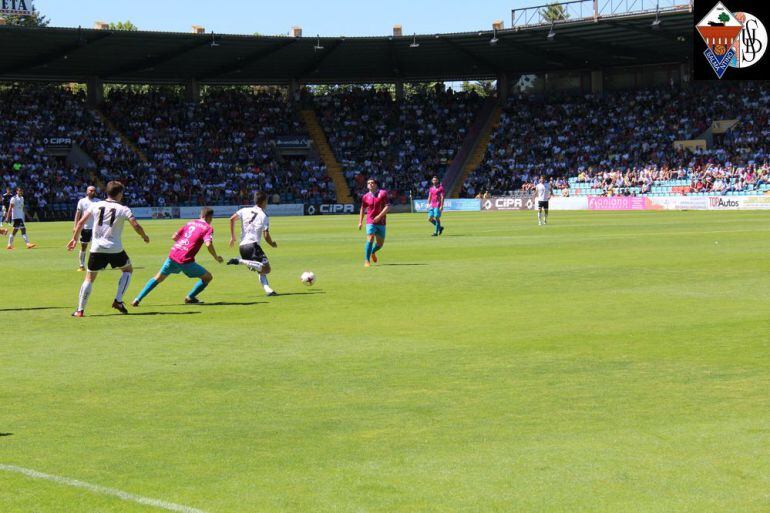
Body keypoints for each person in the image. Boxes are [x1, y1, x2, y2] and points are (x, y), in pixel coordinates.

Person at [67, 181, 150, 317]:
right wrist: (144, 236)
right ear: (119, 194)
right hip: (115, 249)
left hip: (96, 248)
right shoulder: (124, 209)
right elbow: (135, 225)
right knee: (128, 270)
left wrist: (74, 238)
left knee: (89, 278)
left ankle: (80, 310)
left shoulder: (96, 205)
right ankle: (118, 300)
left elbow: (81, 222)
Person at [132, 207, 224, 306]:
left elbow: (174, 237)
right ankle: (190, 298)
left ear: (201, 215)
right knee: (208, 277)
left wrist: (183, 244)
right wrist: (216, 257)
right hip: (185, 260)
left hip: (174, 253)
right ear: (210, 218)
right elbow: (208, 244)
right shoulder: (208, 228)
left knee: (158, 277)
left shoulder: (190, 223)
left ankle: (137, 299)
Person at [227, 191, 278, 297]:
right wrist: (272, 244)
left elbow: (231, 219)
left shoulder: (244, 210)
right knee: (266, 269)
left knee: (260, 270)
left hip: (242, 246)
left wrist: (232, 237)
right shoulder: (264, 215)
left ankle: (268, 290)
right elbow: (266, 236)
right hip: (253, 246)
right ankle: (239, 261)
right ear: (264, 202)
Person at [358, 178, 389, 267]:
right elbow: (362, 209)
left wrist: (379, 216)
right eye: (368, 183)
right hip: (370, 221)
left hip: (381, 222)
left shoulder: (383, 193)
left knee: (380, 244)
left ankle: (373, 252)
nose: (370, 184)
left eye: (372, 183)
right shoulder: (365, 196)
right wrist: (360, 222)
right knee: (370, 238)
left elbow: (387, 207)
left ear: (376, 184)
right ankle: (367, 260)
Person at [74, 186, 97, 271]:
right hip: (86, 227)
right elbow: (78, 214)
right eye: (91, 190)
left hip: (96, 228)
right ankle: (81, 265)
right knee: (84, 246)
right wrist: (75, 226)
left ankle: (95, 265)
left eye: (94, 191)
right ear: (87, 191)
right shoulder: (82, 201)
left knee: (96, 247)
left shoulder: (98, 201)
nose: (93, 192)